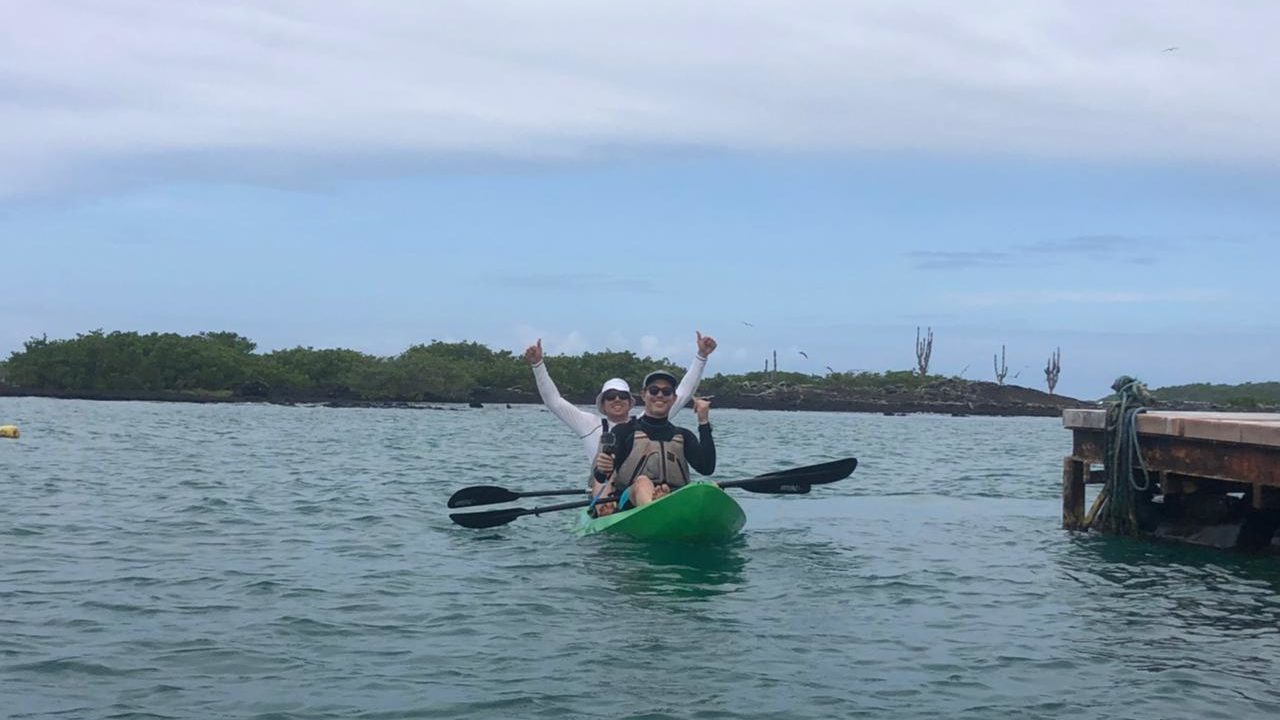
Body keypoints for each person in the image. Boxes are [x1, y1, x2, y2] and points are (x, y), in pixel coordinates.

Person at [522, 332, 717, 468]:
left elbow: (681, 394)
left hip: (635, 490)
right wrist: (538, 364)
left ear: (631, 401)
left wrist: (702, 356)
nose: (617, 400)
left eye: (623, 396)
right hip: (603, 492)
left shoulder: (646, 421)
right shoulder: (587, 423)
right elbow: (554, 401)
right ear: (602, 403)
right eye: (610, 396)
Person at [591, 370, 715, 515]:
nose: (660, 395)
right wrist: (602, 467)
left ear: (674, 398)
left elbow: (707, 468)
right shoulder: (623, 432)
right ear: (644, 395)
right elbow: (601, 477)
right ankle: (656, 507)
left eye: (667, 392)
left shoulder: (683, 435)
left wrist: (703, 422)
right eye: (654, 390)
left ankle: (663, 501)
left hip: (674, 497)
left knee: (708, 486)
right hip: (630, 502)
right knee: (643, 482)